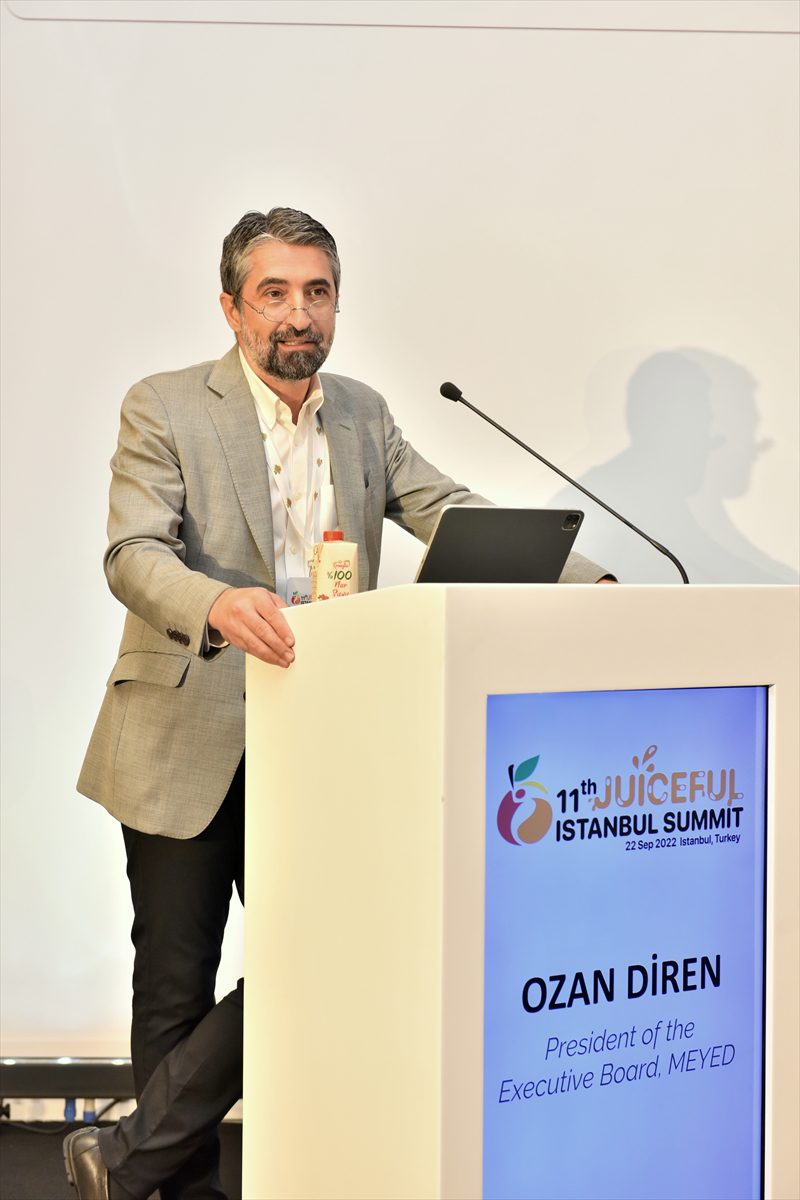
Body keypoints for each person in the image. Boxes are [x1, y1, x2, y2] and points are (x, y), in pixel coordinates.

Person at [63, 207, 611, 1200]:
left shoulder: (361, 413)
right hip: (185, 731)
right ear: (232, 308)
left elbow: (445, 509)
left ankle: (126, 1158)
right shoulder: (165, 405)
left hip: (318, 736)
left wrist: (589, 579)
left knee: (325, 958)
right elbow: (133, 553)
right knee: (176, 986)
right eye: (273, 293)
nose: (298, 313)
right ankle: (172, 1186)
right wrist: (215, 602)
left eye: (316, 292)